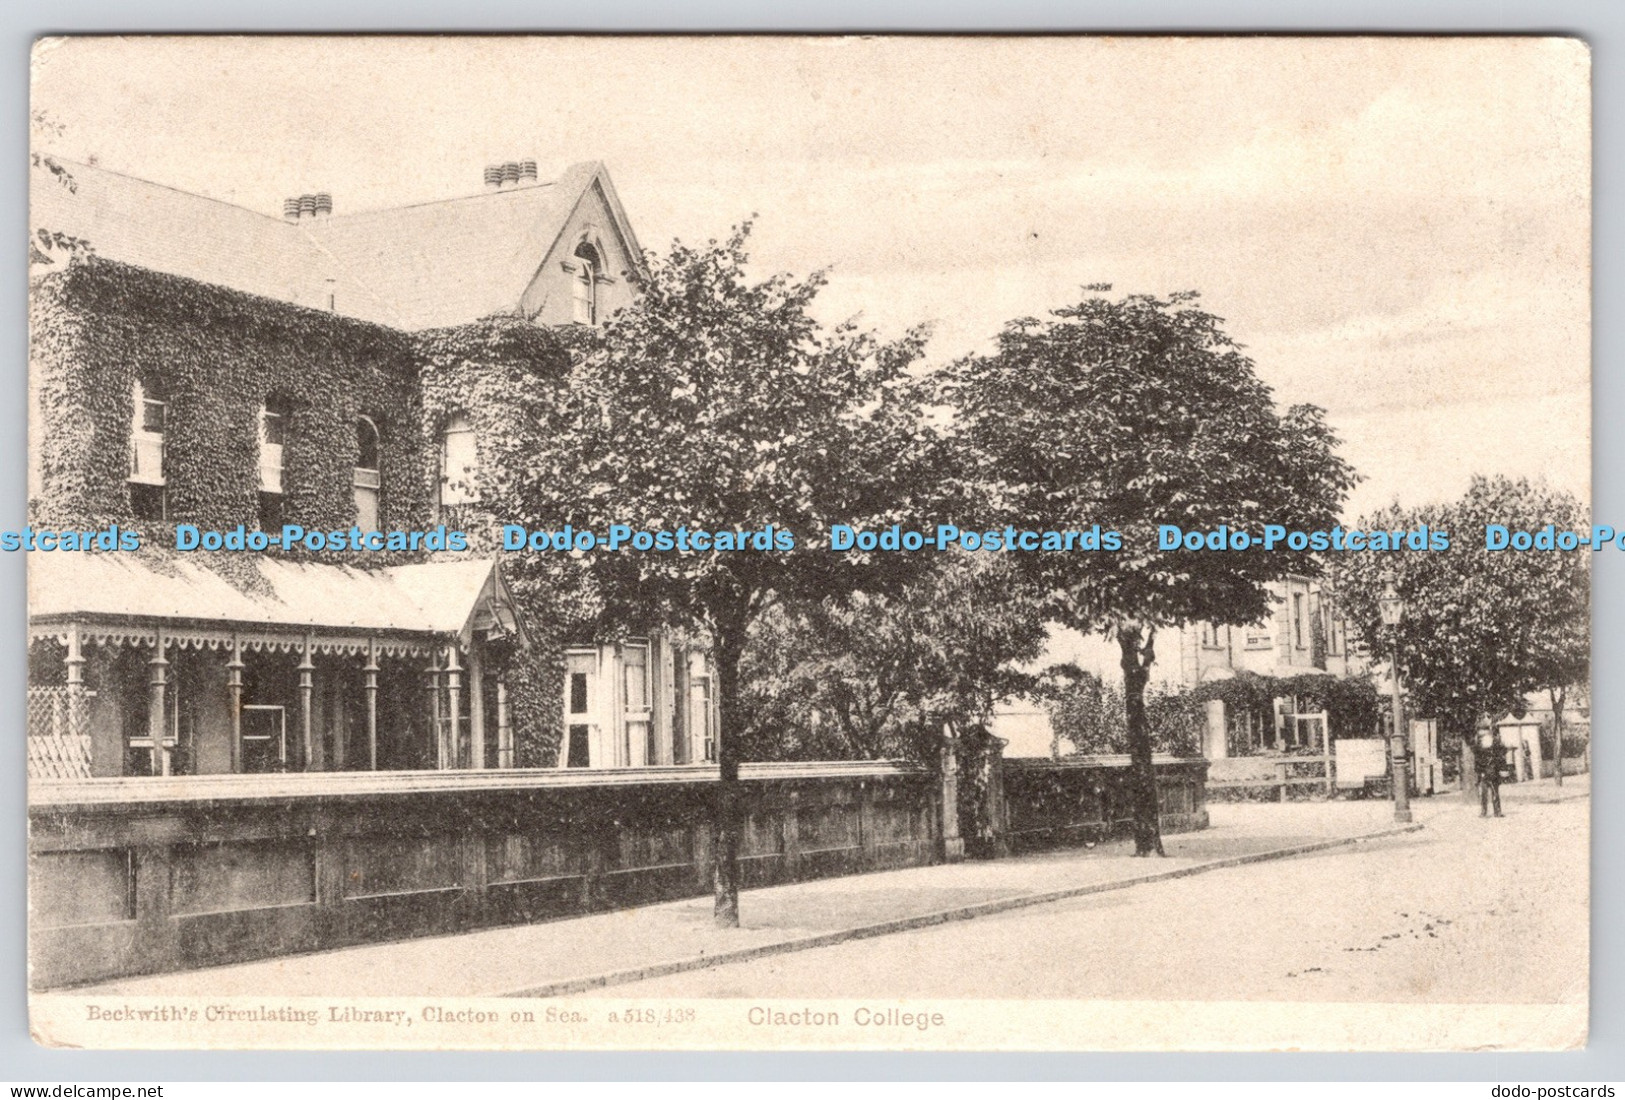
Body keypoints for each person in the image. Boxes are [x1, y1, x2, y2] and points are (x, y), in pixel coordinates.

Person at [1474, 731, 1505, 818]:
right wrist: (1480, 772)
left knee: (1495, 793)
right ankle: (1484, 812)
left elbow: (1499, 760)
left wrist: (1499, 770)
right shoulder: (1480, 751)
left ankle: (1497, 812)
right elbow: (1478, 763)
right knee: (1484, 794)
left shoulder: (1495, 750)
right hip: (1485, 774)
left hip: (1493, 773)